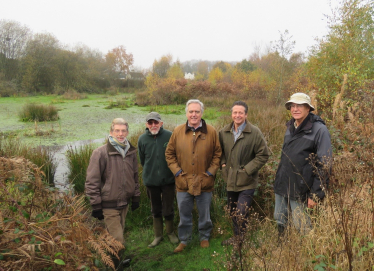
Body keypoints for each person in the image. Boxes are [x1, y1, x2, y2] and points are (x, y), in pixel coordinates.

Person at [165, 99, 222, 253]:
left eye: (197, 111)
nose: (194, 114)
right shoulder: (177, 132)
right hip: (183, 182)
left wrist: (210, 173)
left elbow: (218, 154)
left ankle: (204, 237)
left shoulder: (211, 131)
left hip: (205, 182)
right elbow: (169, 154)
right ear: (186, 113)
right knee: (184, 214)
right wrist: (177, 172)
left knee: (205, 214)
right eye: (191, 111)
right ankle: (184, 240)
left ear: (202, 113)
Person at [274, 93, 332, 236]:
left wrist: (315, 193)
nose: (295, 109)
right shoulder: (290, 127)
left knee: (302, 225)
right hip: (282, 184)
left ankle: (306, 254)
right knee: (280, 218)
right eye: (292, 106)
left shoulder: (319, 130)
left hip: (301, 188)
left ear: (308, 109)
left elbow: (325, 163)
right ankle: (282, 250)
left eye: (299, 105)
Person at [85, 118, 140, 268]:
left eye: (123, 131)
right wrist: (96, 205)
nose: (120, 134)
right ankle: (116, 266)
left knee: (114, 237)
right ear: (111, 132)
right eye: (117, 130)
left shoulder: (131, 152)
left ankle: (114, 262)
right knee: (118, 240)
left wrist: (136, 196)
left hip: (124, 203)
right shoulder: (100, 153)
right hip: (108, 205)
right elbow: (92, 181)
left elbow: (134, 176)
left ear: (127, 132)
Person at [219, 101, 270, 245]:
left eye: (240, 112)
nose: (237, 115)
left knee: (241, 211)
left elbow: (263, 155)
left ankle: (241, 240)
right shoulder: (223, 132)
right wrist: (223, 164)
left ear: (246, 114)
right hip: (230, 180)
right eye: (235, 112)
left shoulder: (254, 132)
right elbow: (219, 151)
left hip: (247, 181)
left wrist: (247, 170)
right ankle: (237, 238)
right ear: (231, 114)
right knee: (233, 212)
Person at [138, 112, 179, 248]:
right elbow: (143, 160)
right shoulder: (142, 139)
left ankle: (171, 233)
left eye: (156, 122)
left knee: (168, 208)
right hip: (151, 181)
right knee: (155, 209)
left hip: (168, 180)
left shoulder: (170, 135)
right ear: (147, 125)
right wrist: (151, 172)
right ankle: (158, 236)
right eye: (150, 123)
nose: (153, 125)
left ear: (161, 123)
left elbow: (176, 155)